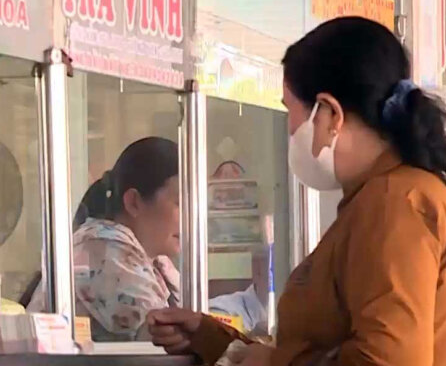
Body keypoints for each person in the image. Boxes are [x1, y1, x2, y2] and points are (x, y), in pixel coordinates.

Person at [149, 17, 446, 366]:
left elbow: (390, 363)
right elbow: (325, 358)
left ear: (329, 113)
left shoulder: (396, 200)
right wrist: (211, 339)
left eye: (290, 111)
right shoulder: (375, 201)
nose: (289, 128)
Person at [28, 136, 267, 341]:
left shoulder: (152, 260)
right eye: (180, 203)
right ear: (134, 202)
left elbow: (196, 318)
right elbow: (171, 334)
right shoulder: (106, 253)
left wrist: (255, 303)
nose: (192, 219)